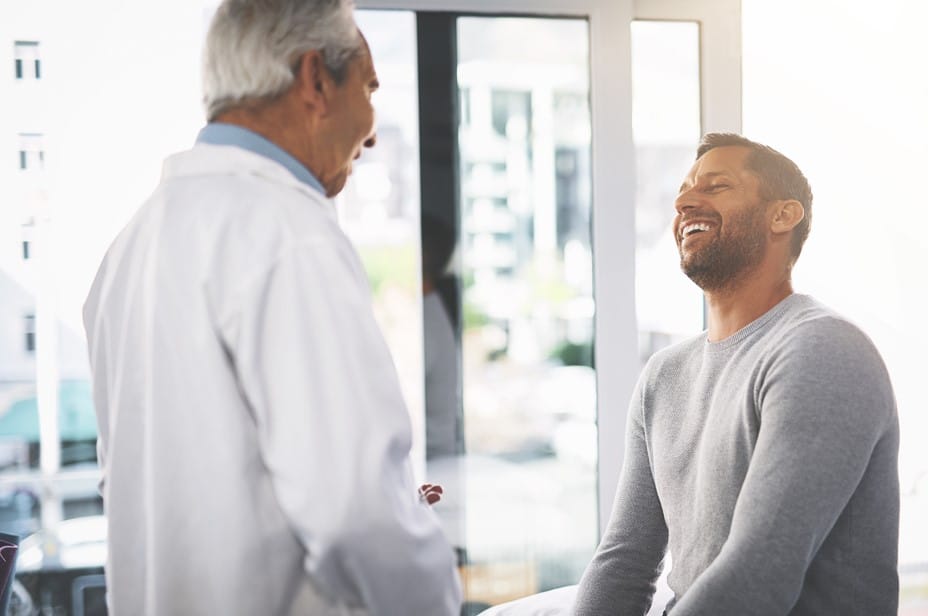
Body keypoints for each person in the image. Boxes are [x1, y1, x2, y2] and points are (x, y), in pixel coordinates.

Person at [82, 1, 461, 614]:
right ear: (315, 81)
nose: (370, 129)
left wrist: (384, 502)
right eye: (367, 87)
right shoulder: (289, 233)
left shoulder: (132, 245)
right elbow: (352, 513)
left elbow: (169, 483)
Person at [574, 133, 899, 615]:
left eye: (716, 186)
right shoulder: (664, 376)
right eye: (683, 190)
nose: (684, 201)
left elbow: (759, 573)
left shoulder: (823, 349)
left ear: (783, 215)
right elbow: (624, 561)